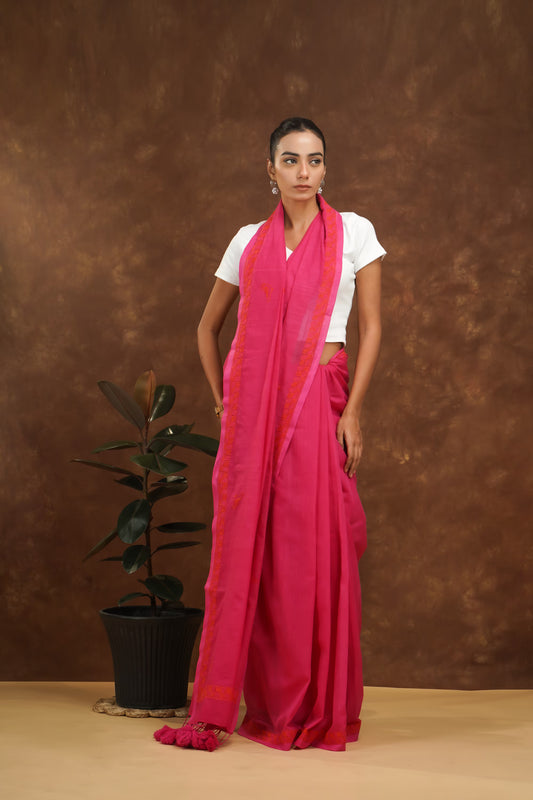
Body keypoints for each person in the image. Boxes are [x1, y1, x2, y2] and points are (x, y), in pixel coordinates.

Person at [154, 117, 386, 752]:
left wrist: (354, 411)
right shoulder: (247, 242)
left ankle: (314, 703)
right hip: (256, 414)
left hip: (322, 397)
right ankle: (259, 700)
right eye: (291, 160)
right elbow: (208, 329)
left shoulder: (355, 234)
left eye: (315, 160)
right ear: (271, 171)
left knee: (313, 549)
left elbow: (372, 329)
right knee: (262, 549)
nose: (304, 172)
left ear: (325, 169)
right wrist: (229, 402)